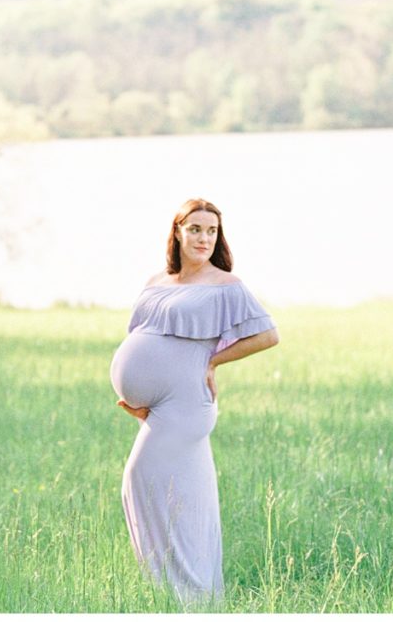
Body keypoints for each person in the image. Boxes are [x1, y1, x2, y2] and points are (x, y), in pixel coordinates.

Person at [109, 198, 279, 606]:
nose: (204, 238)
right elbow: (143, 336)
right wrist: (135, 393)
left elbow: (267, 335)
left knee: (139, 479)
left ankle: (185, 593)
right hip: (158, 408)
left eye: (212, 231)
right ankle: (176, 594)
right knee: (184, 496)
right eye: (196, 229)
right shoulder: (157, 281)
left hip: (186, 402)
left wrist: (214, 360)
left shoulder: (226, 285)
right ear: (178, 232)